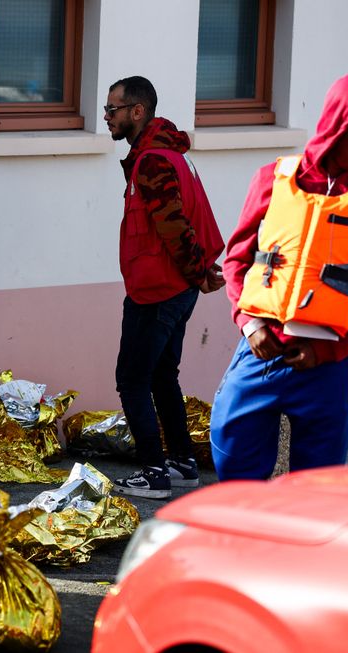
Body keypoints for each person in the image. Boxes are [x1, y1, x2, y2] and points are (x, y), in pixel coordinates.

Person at [210, 74, 348, 480]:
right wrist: (248, 324)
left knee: (315, 490)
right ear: (337, 122)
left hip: (326, 365)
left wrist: (326, 353)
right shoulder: (273, 178)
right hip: (260, 350)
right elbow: (237, 260)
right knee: (232, 462)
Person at [104, 76, 226, 499]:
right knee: (161, 376)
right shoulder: (168, 154)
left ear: (138, 111)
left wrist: (197, 272)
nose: (107, 118)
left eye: (113, 110)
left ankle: (154, 473)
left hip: (157, 290)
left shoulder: (155, 161)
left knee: (132, 379)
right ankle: (182, 464)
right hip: (176, 286)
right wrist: (199, 274)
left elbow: (175, 227)